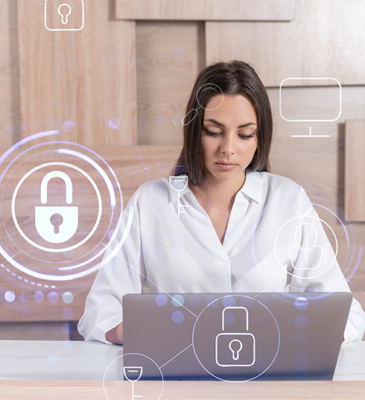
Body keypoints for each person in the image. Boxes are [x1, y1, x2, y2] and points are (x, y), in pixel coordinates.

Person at [78, 60, 365, 345]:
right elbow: (99, 312)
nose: (227, 149)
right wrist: (140, 330)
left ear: (259, 138)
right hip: (175, 378)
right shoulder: (150, 203)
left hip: (265, 380)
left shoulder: (287, 200)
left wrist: (303, 335)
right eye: (214, 132)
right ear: (193, 131)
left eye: (244, 135)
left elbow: (348, 316)